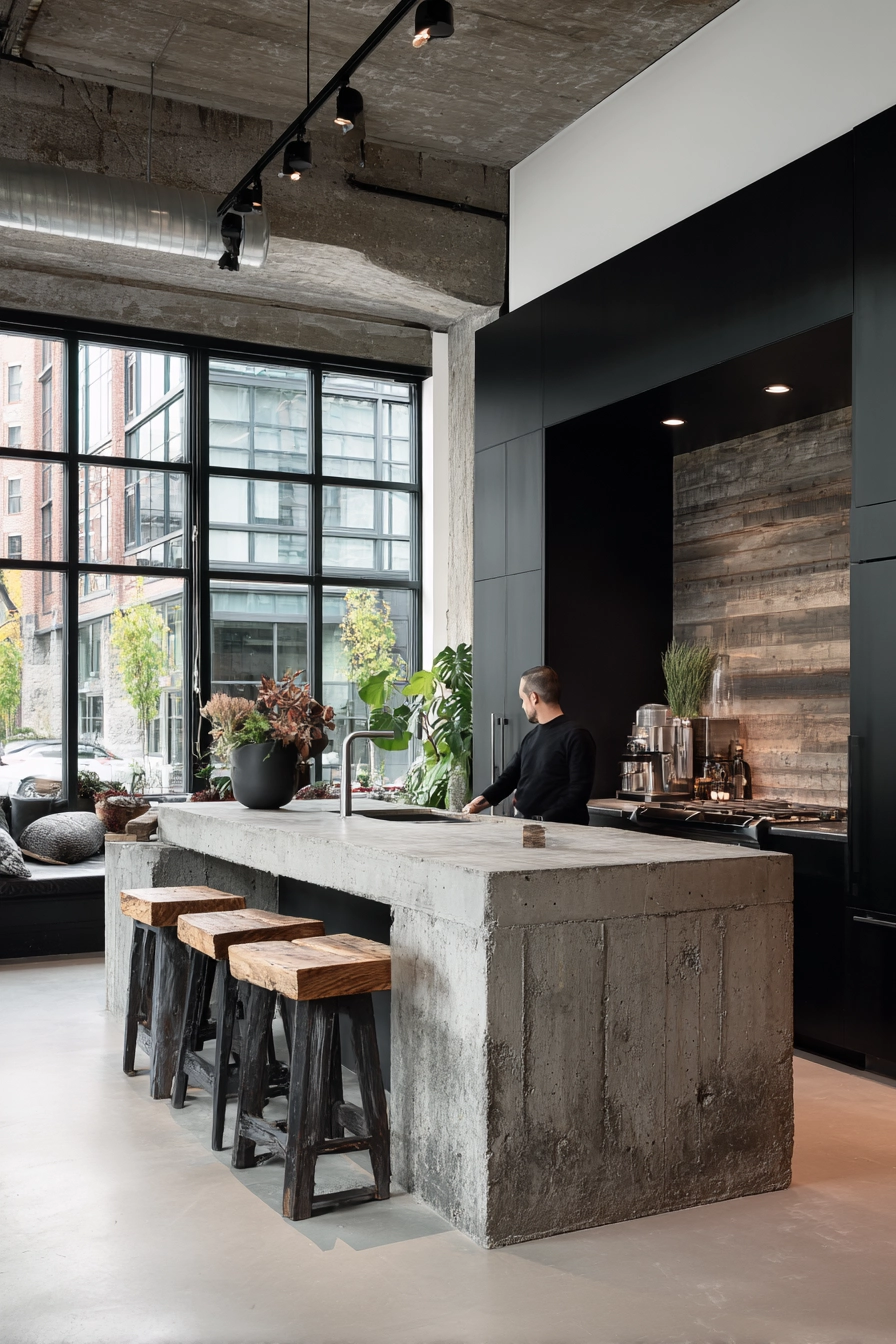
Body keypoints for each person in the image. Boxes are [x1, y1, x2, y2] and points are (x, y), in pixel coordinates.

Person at [463, 665, 596, 826]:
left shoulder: (576, 736)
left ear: (534, 697)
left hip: (561, 833)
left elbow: (578, 793)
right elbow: (508, 779)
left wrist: (542, 821)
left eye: (522, 699)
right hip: (528, 827)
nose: (522, 706)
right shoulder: (531, 737)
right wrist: (476, 804)